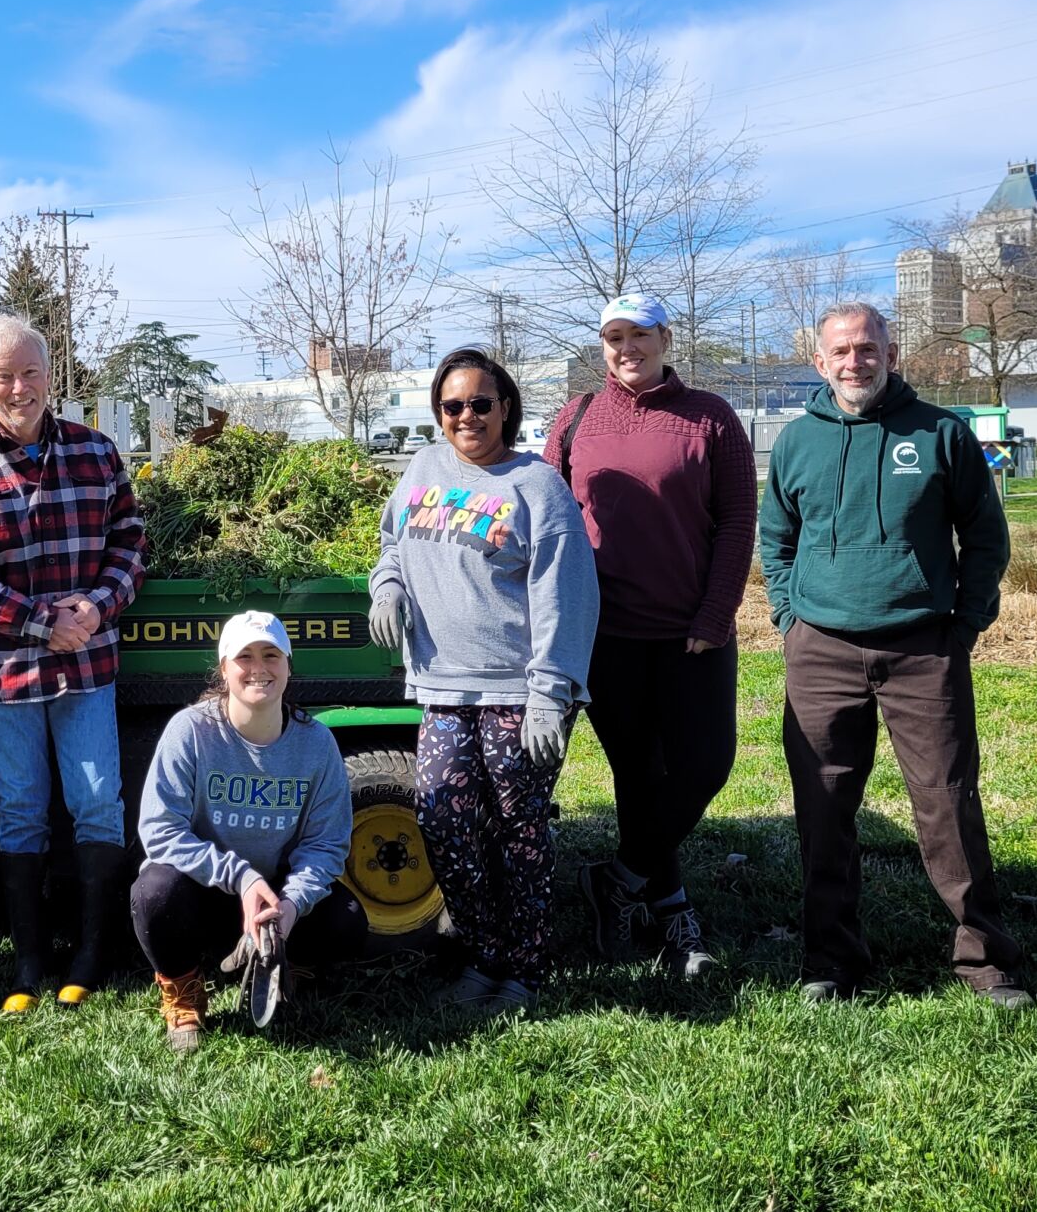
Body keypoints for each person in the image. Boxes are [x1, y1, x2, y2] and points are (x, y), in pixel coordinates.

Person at [758, 301, 1029, 1008]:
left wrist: (964, 622)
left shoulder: (941, 432)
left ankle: (984, 960)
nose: (856, 362)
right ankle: (831, 960)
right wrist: (789, 615)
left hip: (923, 648)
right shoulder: (796, 443)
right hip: (820, 648)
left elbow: (985, 535)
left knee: (947, 805)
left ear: (892, 353)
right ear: (821, 362)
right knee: (824, 808)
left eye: (868, 349)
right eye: (841, 351)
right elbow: (776, 538)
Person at [368, 346, 597, 1011]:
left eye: (480, 404)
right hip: (443, 684)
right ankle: (482, 954)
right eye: (452, 405)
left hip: (516, 689)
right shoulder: (423, 468)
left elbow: (568, 593)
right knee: (442, 817)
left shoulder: (535, 486)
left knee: (515, 828)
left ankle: (522, 971)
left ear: (505, 409)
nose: (467, 416)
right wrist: (387, 589)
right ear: (438, 413)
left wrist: (551, 693)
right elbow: (391, 543)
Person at [0, 314, 148, 1013]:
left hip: (87, 667)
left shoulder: (97, 453)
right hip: (10, 675)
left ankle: (92, 952)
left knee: (95, 806)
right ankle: (29, 962)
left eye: (31, 372)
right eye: (5, 376)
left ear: (51, 377)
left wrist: (98, 607)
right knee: (21, 811)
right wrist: (38, 623)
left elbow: (130, 543)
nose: (19, 387)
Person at [544, 294, 754, 979]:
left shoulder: (710, 418)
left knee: (703, 765)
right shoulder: (575, 420)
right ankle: (671, 909)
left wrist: (713, 615)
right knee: (638, 776)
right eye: (614, 337)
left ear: (666, 338)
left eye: (639, 335)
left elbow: (736, 524)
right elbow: (545, 519)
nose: (627, 348)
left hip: (693, 634)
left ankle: (619, 876)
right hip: (607, 638)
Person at [132, 611, 369, 1052]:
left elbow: (327, 845)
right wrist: (243, 877)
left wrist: (292, 905)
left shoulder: (316, 743)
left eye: (271, 655)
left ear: (288, 665)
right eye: (245, 656)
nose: (259, 667)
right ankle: (183, 990)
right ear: (224, 668)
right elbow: (161, 831)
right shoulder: (192, 732)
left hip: (274, 902)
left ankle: (284, 963)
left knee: (347, 919)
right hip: (206, 894)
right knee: (154, 891)